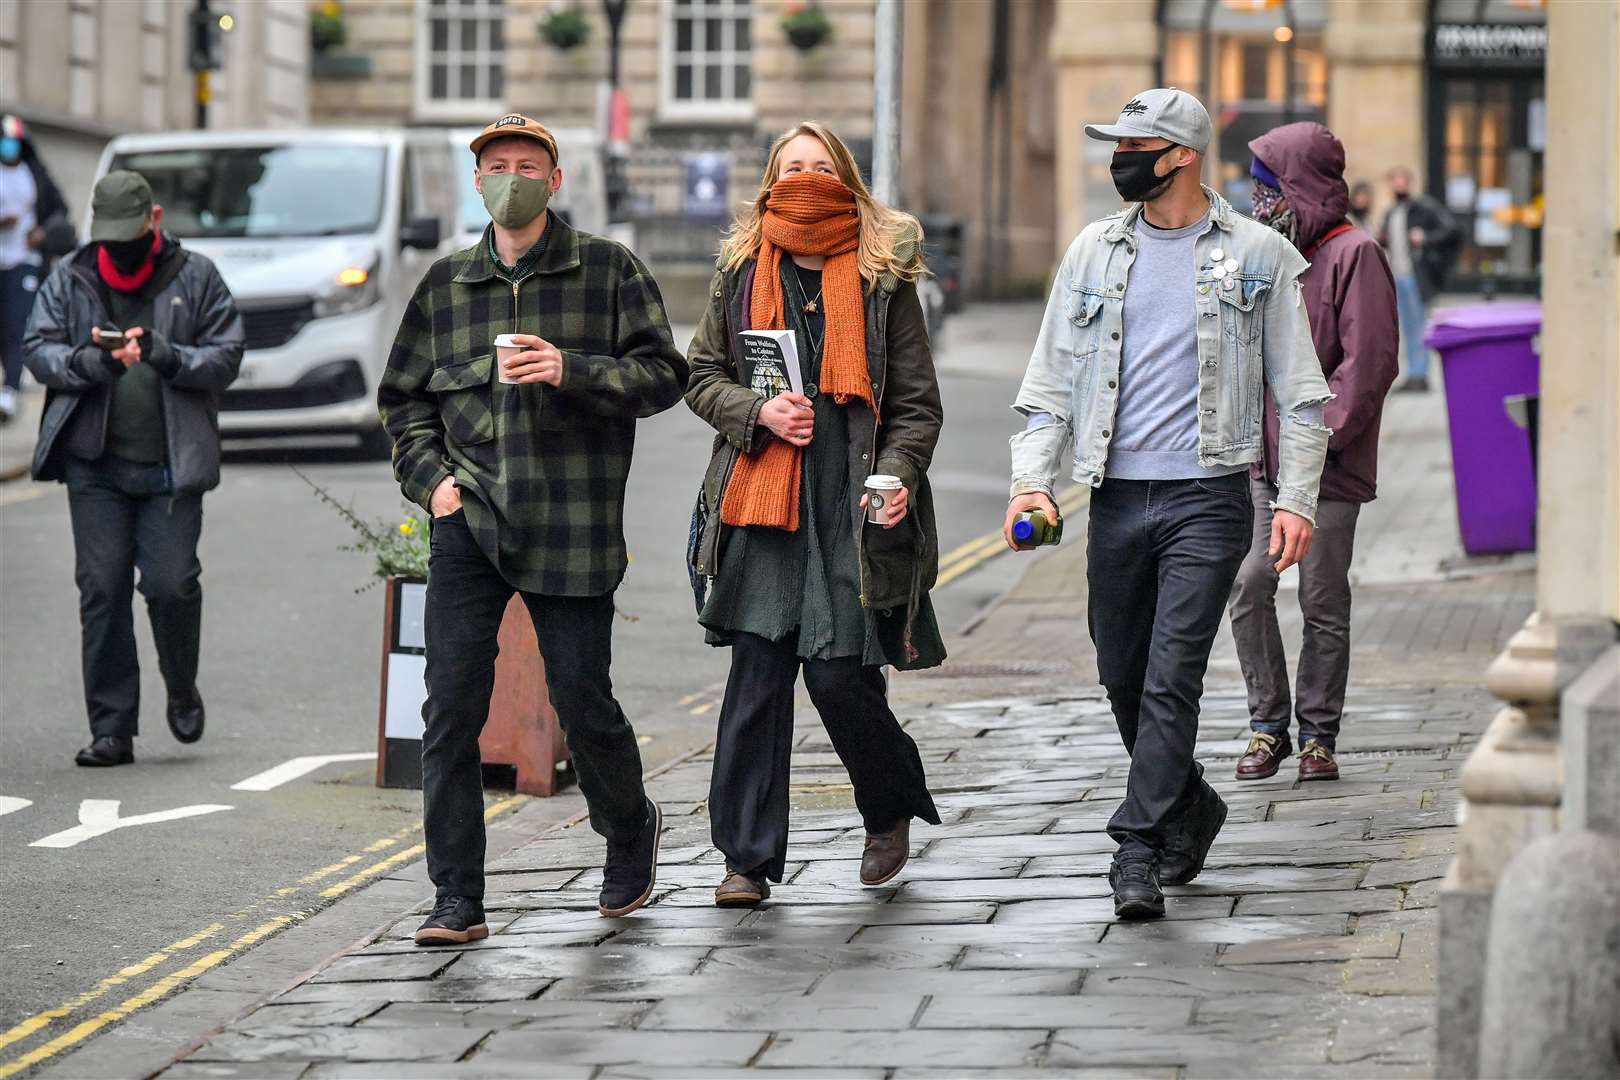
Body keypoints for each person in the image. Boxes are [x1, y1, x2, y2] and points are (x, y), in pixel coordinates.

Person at [1006, 89, 1330, 920]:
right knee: (1121, 673)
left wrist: (1296, 501)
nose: (1119, 156)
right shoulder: (1090, 253)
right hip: (1114, 496)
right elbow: (1047, 388)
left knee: (1170, 675)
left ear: (1181, 153)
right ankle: (1193, 804)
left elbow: (1300, 396)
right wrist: (1033, 482)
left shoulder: (1258, 255)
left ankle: (1137, 847)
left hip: (1210, 497)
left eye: (1134, 142)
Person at [378, 115, 687, 945]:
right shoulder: (446, 286)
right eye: (496, 166)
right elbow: (403, 401)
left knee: (583, 701)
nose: (511, 176)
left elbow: (666, 375)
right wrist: (432, 484)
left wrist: (571, 368)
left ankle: (628, 828)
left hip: (574, 521)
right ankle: (458, 898)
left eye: (528, 164)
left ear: (555, 181)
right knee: (448, 712)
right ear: (477, 183)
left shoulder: (607, 270)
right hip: (469, 523)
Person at [684, 121, 944, 907]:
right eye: (791, 166)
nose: (804, 178)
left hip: (848, 506)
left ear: (847, 179)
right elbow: (700, 374)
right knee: (757, 679)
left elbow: (916, 407)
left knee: (838, 680)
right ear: (770, 178)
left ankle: (888, 804)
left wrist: (896, 474)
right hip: (764, 502)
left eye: (820, 166)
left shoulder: (881, 278)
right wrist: (754, 414)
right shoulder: (739, 270)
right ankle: (746, 861)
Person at [23, 170, 243, 766]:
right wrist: (90, 361)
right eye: (109, 237)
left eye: (130, 234)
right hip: (95, 466)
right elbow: (37, 349)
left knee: (172, 586)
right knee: (101, 591)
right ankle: (112, 729)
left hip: (172, 464)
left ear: (156, 219)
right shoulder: (72, 275)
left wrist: (168, 355)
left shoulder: (195, 276)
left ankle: (179, 683)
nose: (118, 249)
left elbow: (226, 355)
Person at [1232, 124, 1399, 784]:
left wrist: (1314, 441)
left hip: (1328, 465)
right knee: (1249, 585)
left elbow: (1369, 366)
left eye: (1267, 189)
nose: (1257, 202)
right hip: (1262, 464)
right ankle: (1267, 724)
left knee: (1322, 600)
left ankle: (1318, 736)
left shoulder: (1357, 255)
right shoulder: (1269, 256)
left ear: (1299, 188)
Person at [1, 114, 73, 424]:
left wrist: (42, 235)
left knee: (17, 324)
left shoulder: (34, 175)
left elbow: (58, 210)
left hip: (24, 261)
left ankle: (10, 388)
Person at [1379, 167, 1458, 393]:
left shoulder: (1424, 208)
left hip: (1417, 277)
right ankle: (1413, 373)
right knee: (1406, 327)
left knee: (1419, 326)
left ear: (1410, 184)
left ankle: (1420, 375)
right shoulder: (1392, 213)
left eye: (1402, 182)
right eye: (1395, 182)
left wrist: (1425, 238)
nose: (1399, 186)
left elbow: (1450, 231)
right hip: (1397, 276)